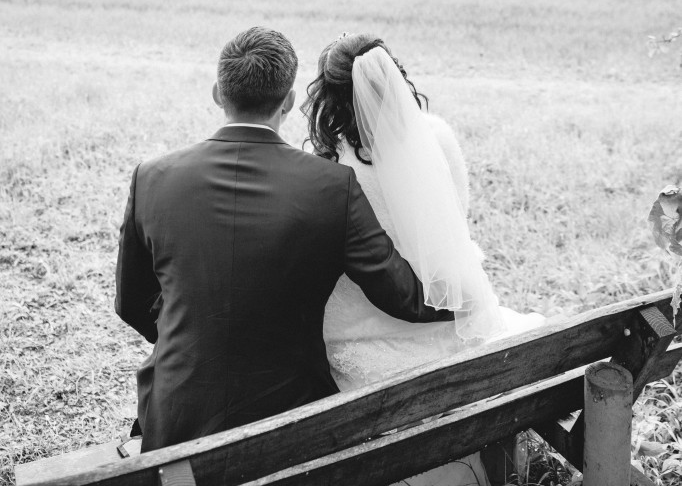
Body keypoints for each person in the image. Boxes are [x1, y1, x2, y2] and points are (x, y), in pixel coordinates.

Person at [115, 26, 454, 452]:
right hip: (291, 422)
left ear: (218, 93)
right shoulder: (332, 186)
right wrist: (465, 301)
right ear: (290, 101)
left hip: (177, 417)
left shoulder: (153, 178)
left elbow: (130, 303)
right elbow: (402, 295)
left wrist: (194, 339)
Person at [303, 32, 544, 486]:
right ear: (396, 76)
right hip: (446, 321)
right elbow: (457, 222)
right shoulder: (436, 137)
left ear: (329, 96)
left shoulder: (324, 165)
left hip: (358, 337)